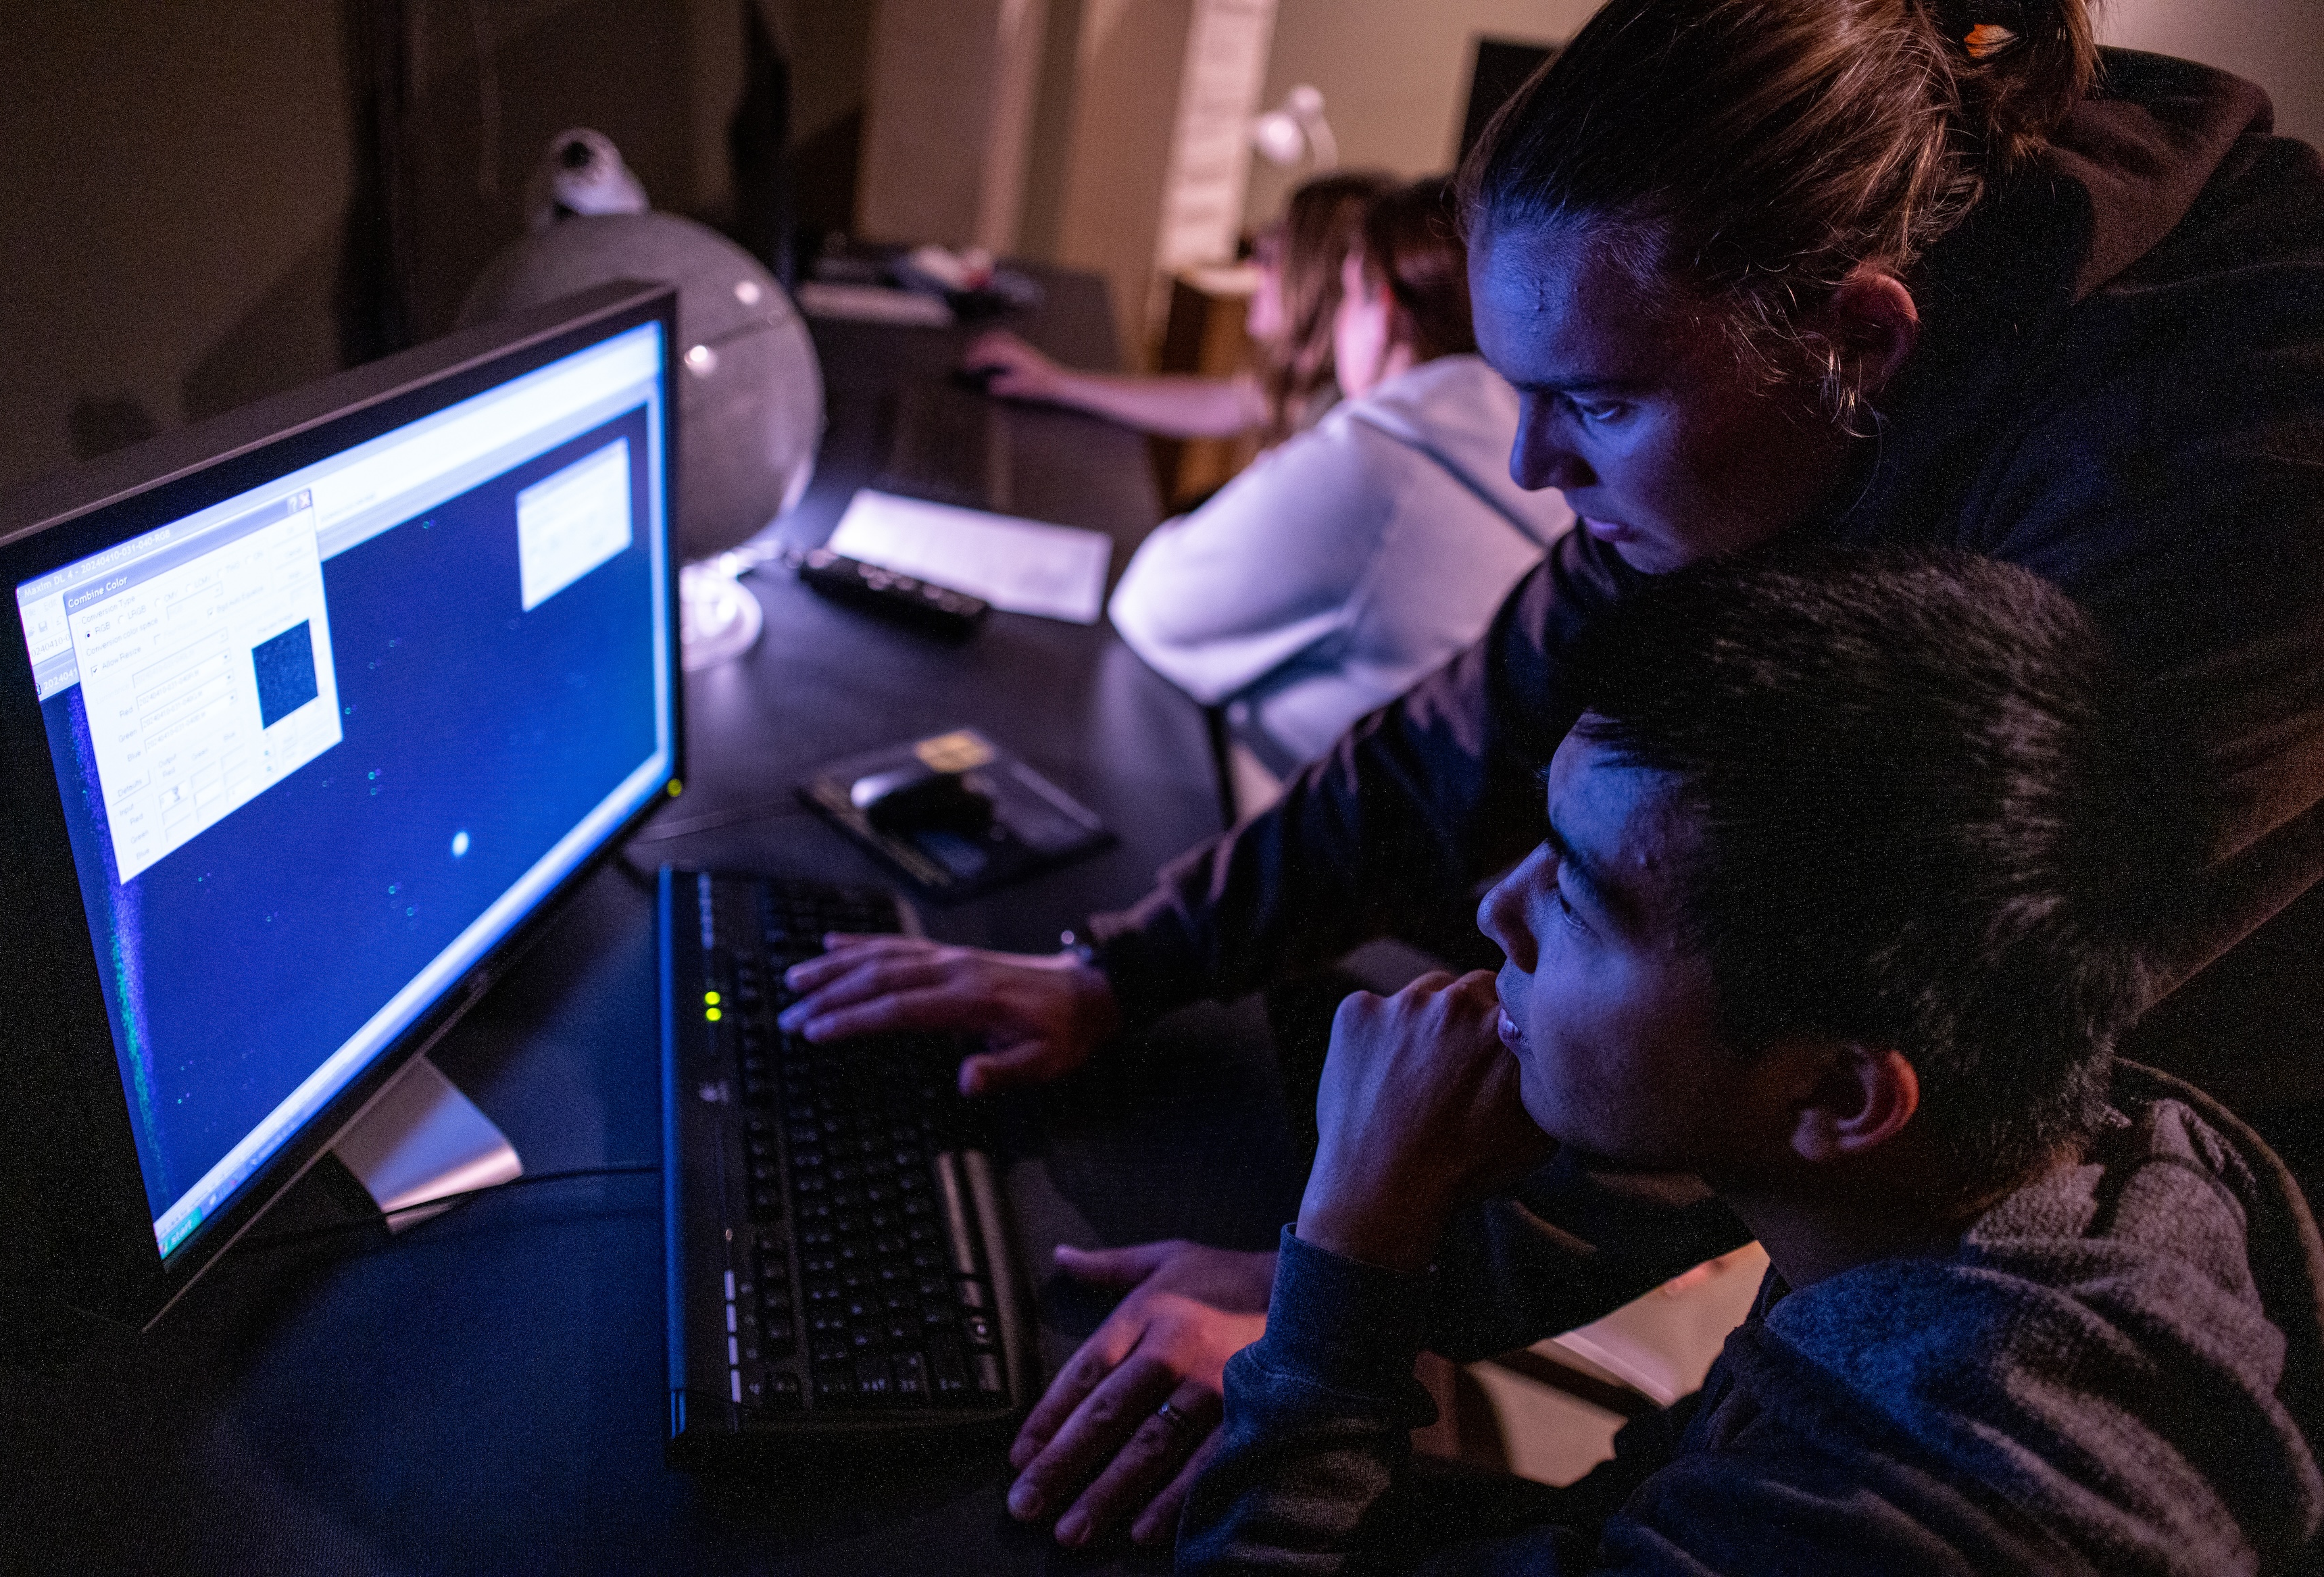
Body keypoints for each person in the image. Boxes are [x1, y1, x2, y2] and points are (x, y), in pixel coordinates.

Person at [781, 0, 2324, 1547]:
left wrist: (1339, 1288)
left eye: (1592, 403)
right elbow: (1490, 712)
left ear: (1860, 340)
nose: (1531, 463)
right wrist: (1115, 969)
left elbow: (1803, 1030)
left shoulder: (2216, 494)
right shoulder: (1773, 387)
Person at [1178, 551, 2324, 1574]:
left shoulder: (1908, 1506)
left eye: (1579, 896)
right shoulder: (2114, 1181)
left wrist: (1353, 1240)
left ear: (1837, 1092)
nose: (1499, 908)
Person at [1110, 178, 1573, 772]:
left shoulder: (1382, 457)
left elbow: (1157, 604)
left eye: (1349, 294)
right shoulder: (1543, 457)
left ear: (1382, 310)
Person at [960, 172, 1392, 442]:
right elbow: (1220, 403)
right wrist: (1059, 383)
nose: (1253, 266)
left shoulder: (1338, 427)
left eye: (1270, 251)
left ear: (1315, 278)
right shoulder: (1311, 389)